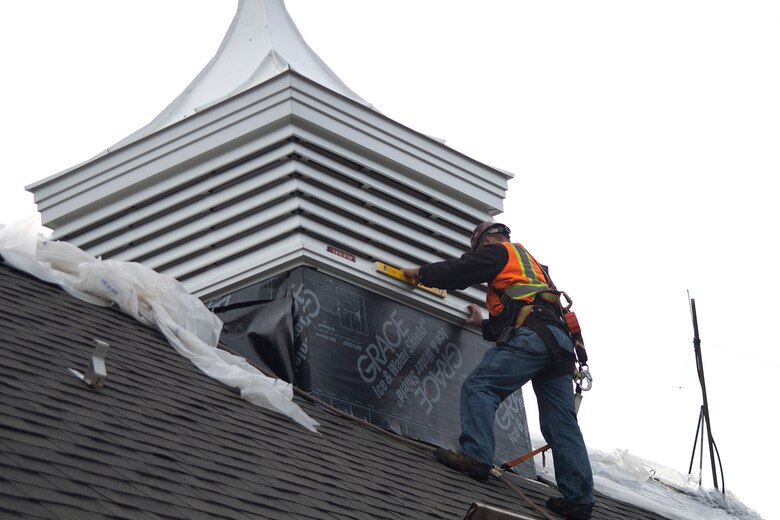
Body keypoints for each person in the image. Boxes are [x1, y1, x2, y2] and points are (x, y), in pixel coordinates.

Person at [401, 221, 594, 520]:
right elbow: (523, 308)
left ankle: (476, 456)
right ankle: (579, 500)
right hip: (559, 346)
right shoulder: (534, 269)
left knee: (481, 387)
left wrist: (423, 274)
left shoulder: (500, 252)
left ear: (486, 241)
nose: (478, 254)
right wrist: (484, 324)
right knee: (561, 425)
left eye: (477, 248)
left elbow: (461, 271)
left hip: (534, 335)